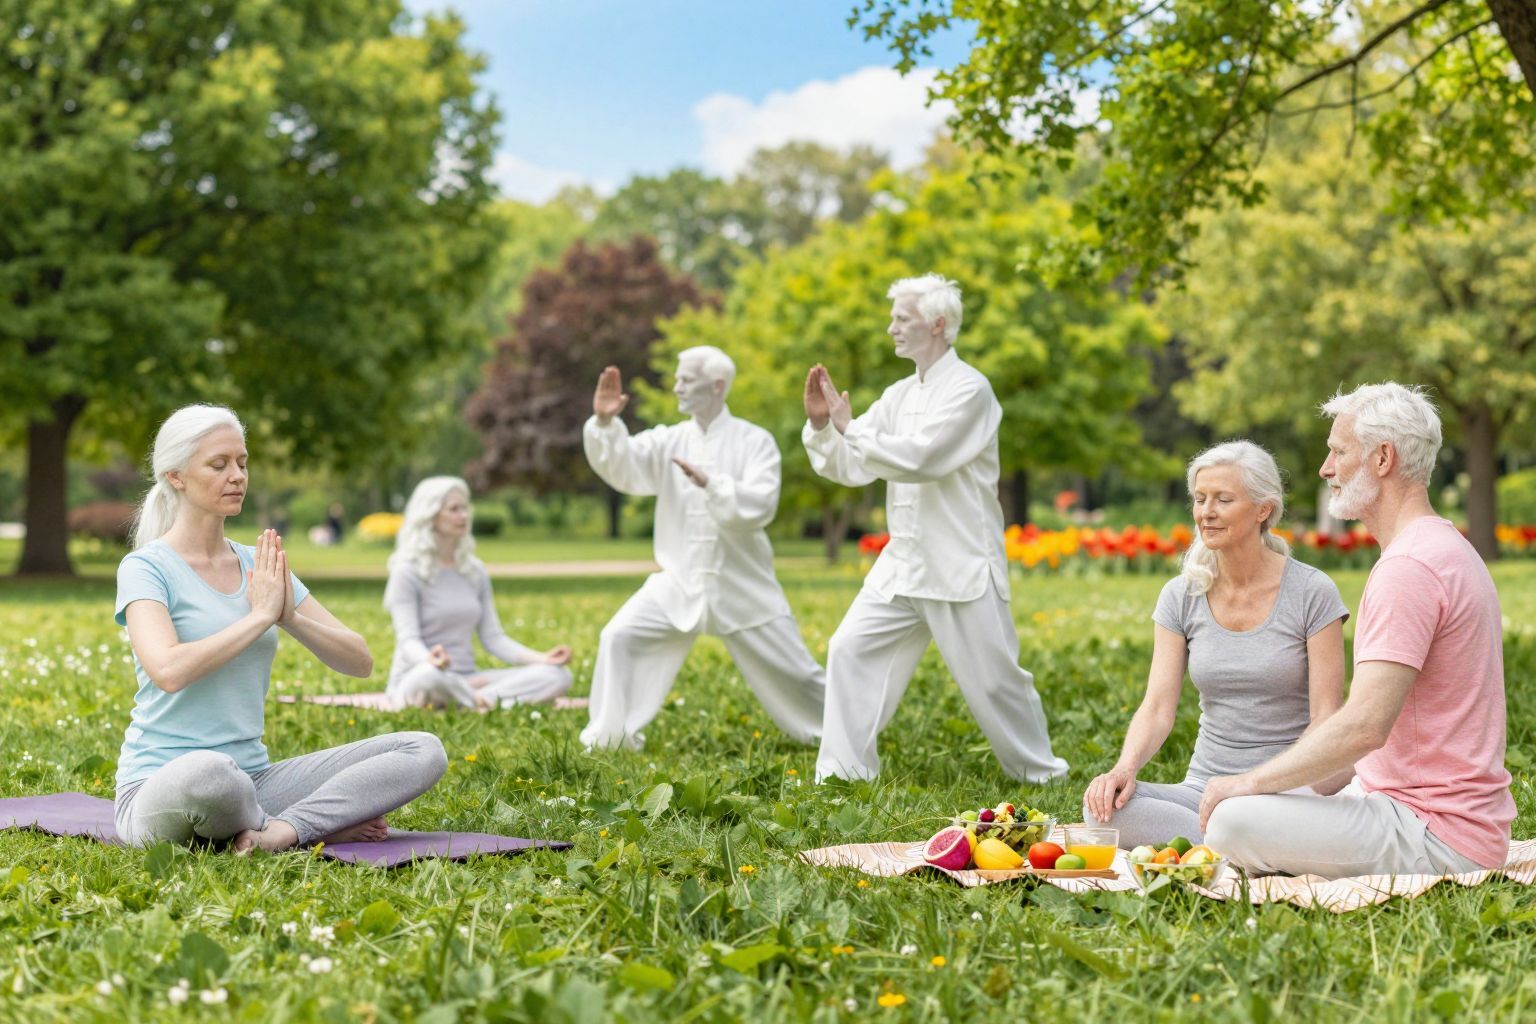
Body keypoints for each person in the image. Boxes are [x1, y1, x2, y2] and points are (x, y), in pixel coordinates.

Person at [1200, 383, 1514, 877]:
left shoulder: (1409, 567)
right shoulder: (1441, 548)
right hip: (1433, 817)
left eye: (1339, 451)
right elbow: (1375, 739)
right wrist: (1282, 785)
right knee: (1263, 796)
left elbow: (1365, 726)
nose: (1326, 468)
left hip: (1435, 834)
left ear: (1382, 458)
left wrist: (1248, 784)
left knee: (1231, 821)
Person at [114, 405, 447, 853]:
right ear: (176, 476)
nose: (237, 476)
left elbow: (359, 661)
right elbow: (168, 670)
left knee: (422, 749)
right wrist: (258, 618)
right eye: (219, 464)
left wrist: (289, 616)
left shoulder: (261, 565)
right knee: (210, 775)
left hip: (254, 780)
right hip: (163, 785)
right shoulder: (146, 568)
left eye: (242, 462)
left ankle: (284, 831)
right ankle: (313, 823)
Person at [803, 273, 1067, 783]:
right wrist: (822, 427)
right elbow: (855, 466)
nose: (891, 328)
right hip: (904, 564)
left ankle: (1042, 773)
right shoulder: (898, 394)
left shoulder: (971, 390)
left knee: (995, 682)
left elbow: (925, 457)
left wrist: (850, 427)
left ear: (939, 324)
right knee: (849, 649)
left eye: (902, 318)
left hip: (961, 560)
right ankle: (842, 774)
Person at [1081, 441, 1348, 846]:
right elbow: (1156, 708)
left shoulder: (1313, 592)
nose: (1206, 511)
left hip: (1288, 790)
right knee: (1102, 810)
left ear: (1264, 510)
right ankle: (1244, 847)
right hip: (1205, 791)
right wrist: (1124, 769)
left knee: (1244, 822)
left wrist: (1259, 784)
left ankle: (1236, 842)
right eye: (1200, 498)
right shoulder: (1180, 595)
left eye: (1223, 499)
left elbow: (1327, 716)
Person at [580, 346, 826, 750]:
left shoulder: (755, 441)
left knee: (797, 674)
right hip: (678, 581)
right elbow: (625, 465)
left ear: (716, 386)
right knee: (619, 635)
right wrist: (606, 424)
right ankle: (611, 738)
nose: (675, 386)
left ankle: (837, 734)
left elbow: (761, 505)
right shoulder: (669, 440)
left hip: (741, 583)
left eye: (685, 379)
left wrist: (712, 484)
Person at [383, 477, 573, 710]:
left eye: (465, 508)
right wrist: (429, 660)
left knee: (559, 675)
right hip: (420, 677)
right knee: (430, 678)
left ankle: (477, 700)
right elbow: (408, 641)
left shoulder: (474, 571)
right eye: (454, 509)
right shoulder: (407, 571)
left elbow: (494, 638)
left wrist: (542, 659)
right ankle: (481, 699)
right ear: (430, 515)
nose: (463, 515)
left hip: (469, 679)